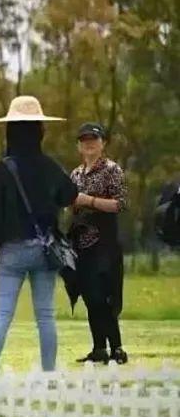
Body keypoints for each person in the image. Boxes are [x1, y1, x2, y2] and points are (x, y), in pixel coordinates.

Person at [0, 96, 78, 376]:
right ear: (39, 131)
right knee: (45, 316)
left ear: (9, 130)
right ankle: (48, 373)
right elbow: (69, 194)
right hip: (45, 250)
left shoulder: (2, 170)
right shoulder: (49, 166)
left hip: (12, 252)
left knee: (2, 315)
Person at [68, 122, 128, 365]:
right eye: (84, 140)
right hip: (81, 244)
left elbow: (119, 204)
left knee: (105, 296)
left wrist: (89, 201)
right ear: (78, 145)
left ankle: (116, 347)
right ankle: (99, 348)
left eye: (93, 139)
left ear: (102, 143)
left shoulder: (112, 170)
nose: (89, 143)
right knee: (90, 296)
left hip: (105, 242)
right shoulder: (75, 174)